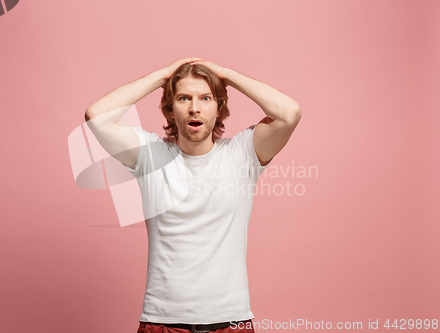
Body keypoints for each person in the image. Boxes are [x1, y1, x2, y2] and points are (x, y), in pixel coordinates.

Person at [84, 58, 301, 333]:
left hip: (230, 323)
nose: (194, 107)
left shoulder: (242, 153)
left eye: (206, 98)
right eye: (183, 98)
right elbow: (96, 116)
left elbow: (289, 113)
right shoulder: (151, 155)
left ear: (219, 109)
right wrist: (164, 76)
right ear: (170, 110)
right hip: (161, 322)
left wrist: (227, 75)